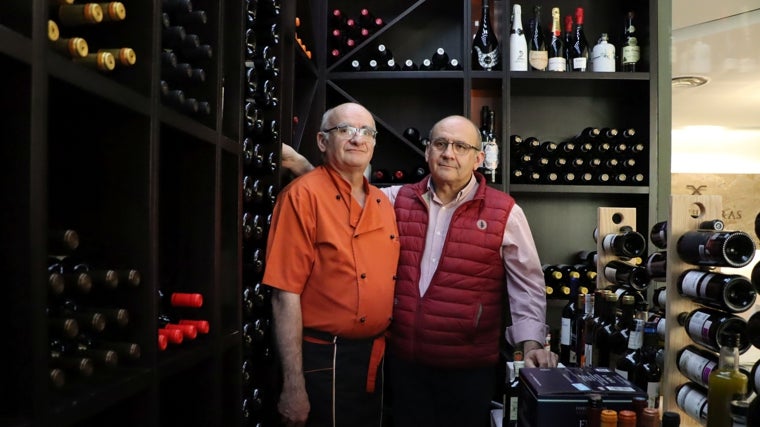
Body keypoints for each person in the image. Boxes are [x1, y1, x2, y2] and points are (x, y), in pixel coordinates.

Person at [282, 114, 556, 426]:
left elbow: (527, 284)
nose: (448, 153)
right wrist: (302, 166)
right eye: (440, 143)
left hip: (468, 370)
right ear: (427, 152)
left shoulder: (505, 211)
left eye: (460, 146)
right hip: (403, 366)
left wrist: (531, 343)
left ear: (478, 158)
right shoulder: (395, 199)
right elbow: (342, 201)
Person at [263, 102, 400, 427]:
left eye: (366, 131)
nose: (357, 138)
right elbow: (285, 294)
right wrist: (294, 384)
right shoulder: (301, 197)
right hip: (325, 359)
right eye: (345, 130)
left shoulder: (383, 202)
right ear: (323, 142)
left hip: (376, 359)